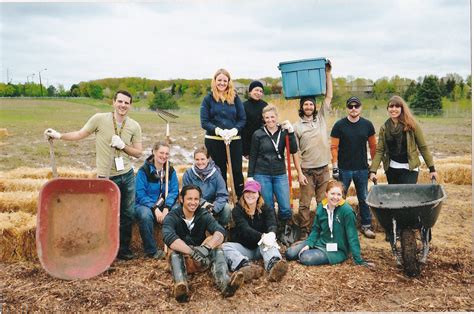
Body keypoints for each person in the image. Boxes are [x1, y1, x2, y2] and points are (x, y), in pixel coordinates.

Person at [44, 90, 143, 260]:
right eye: (120, 101)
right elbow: (80, 134)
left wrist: (123, 146)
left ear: (130, 105)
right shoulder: (99, 119)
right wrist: (59, 135)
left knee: (127, 214)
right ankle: (103, 250)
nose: (123, 105)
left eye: (126, 103)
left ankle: (123, 250)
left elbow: (138, 153)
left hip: (126, 176)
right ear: (113, 102)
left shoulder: (134, 125)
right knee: (104, 215)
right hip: (106, 178)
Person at [162, 185, 244, 302]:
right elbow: (168, 237)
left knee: (216, 244)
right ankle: (181, 287)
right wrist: (190, 252)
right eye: (189, 199)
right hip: (182, 259)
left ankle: (226, 284)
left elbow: (220, 231)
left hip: (201, 259)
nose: (193, 202)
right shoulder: (172, 216)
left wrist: (207, 247)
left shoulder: (203, 214)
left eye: (196, 199)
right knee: (174, 250)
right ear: (181, 199)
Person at [285, 180, 370, 267]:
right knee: (289, 253)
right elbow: (316, 229)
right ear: (326, 194)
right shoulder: (321, 207)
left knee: (305, 258)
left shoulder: (347, 211)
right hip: (320, 242)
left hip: (337, 249)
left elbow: (352, 236)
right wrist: (309, 244)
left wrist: (358, 259)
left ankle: (313, 253)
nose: (335, 197)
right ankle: (311, 249)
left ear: (342, 195)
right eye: (332, 194)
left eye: (339, 194)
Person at [292, 61, 333, 240]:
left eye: (311, 104)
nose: (309, 107)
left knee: (324, 202)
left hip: (323, 168)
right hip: (307, 170)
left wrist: (328, 74)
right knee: (304, 204)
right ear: (301, 107)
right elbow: (295, 152)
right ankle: (304, 231)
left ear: (315, 107)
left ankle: (324, 230)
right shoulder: (296, 126)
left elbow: (329, 96)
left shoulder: (321, 118)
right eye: (305, 105)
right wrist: (299, 173)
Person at [247, 104, 297, 244]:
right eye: (267, 118)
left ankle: (285, 231)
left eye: (272, 117)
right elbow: (253, 155)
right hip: (262, 174)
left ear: (277, 117)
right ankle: (271, 232)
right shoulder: (258, 134)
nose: (270, 120)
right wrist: (250, 176)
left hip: (279, 173)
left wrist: (291, 132)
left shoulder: (284, 132)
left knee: (285, 206)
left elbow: (293, 149)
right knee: (268, 206)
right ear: (263, 118)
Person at [222, 180, 288, 283]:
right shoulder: (237, 210)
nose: (250, 195)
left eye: (254, 192)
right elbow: (245, 229)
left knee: (269, 241)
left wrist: (271, 234)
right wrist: (262, 236)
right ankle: (244, 266)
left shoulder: (266, 208)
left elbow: (272, 223)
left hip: (261, 246)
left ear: (258, 195)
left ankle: (273, 265)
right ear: (243, 194)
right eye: (247, 192)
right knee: (225, 247)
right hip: (244, 247)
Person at [330, 96, 377, 239]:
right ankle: (339, 226)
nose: (353, 109)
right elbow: (334, 147)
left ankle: (366, 225)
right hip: (344, 169)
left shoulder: (367, 125)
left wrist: (373, 167)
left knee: (363, 197)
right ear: (347, 108)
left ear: (360, 108)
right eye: (350, 106)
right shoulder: (339, 125)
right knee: (340, 197)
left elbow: (374, 146)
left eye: (356, 106)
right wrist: (335, 167)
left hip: (362, 169)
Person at [369, 95, 438, 184]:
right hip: (392, 169)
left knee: (407, 196)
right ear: (388, 109)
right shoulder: (384, 128)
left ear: (402, 108)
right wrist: (373, 171)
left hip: (409, 169)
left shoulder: (412, 125)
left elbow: (423, 147)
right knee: (395, 196)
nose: (394, 109)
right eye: (391, 106)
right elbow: (380, 150)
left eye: (397, 106)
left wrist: (432, 169)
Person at [200, 68, 246, 198]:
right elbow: (204, 122)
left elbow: (242, 119)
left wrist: (234, 130)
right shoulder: (208, 99)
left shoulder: (235, 98)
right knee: (219, 171)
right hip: (214, 141)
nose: (222, 83)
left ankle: (240, 200)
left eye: (225, 80)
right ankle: (222, 200)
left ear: (229, 82)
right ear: (214, 81)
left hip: (234, 140)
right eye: (219, 80)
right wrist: (218, 130)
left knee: (236, 171)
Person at [135, 141, 179, 259]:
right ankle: (151, 250)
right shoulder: (143, 171)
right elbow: (140, 194)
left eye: (167, 154)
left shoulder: (170, 170)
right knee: (145, 215)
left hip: (164, 204)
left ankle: (176, 245)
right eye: (161, 153)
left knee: (178, 210)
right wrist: (154, 208)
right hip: (145, 204)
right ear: (154, 152)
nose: (164, 156)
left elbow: (174, 191)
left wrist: (166, 207)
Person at [181, 146, 232, 227]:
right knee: (176, 208)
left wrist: (214, 208)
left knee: (226, 208)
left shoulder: (216, 174)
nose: (200, 162)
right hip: (194, 203)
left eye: (202, 159)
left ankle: (221, 229)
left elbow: (222, 194)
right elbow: (185, 193)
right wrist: (203, 203)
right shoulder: (189, 174)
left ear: (208, 159)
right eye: (197, 159)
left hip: (212, 205)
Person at [241, 80, 268, 159]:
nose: (259, 93)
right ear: (250, 92)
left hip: (262, 142)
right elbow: (242, 129)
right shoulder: (243, 106)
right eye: (256, 90)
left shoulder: (265, 105)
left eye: (261, 91)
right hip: (248, 143)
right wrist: (245, 150)